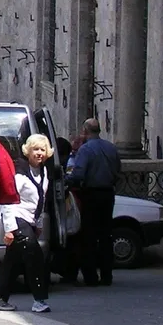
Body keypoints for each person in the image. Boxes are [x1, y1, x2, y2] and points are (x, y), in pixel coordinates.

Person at [0, 135, 53, 313]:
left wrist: (38, 224)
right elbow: (9, 201)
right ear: (28, 151)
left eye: (42, 150)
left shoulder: (44, 171)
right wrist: (9, 230)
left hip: (30, 220)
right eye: (35, 149)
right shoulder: (19, 172)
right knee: (35, 256)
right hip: (17, 218)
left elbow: (41, 199)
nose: (39, 153)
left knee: (12, 262)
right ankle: (39, 300)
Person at [65, 119, 121, 287]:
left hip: (91, 194)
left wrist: (67, 179)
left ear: (85, 130)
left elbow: (79, 174)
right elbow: (118, 170)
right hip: (108, 193)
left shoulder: (86, 149)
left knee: (88, 236)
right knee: (105, 235)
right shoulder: (111, 148)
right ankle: (106, 275)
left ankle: (90, 276)